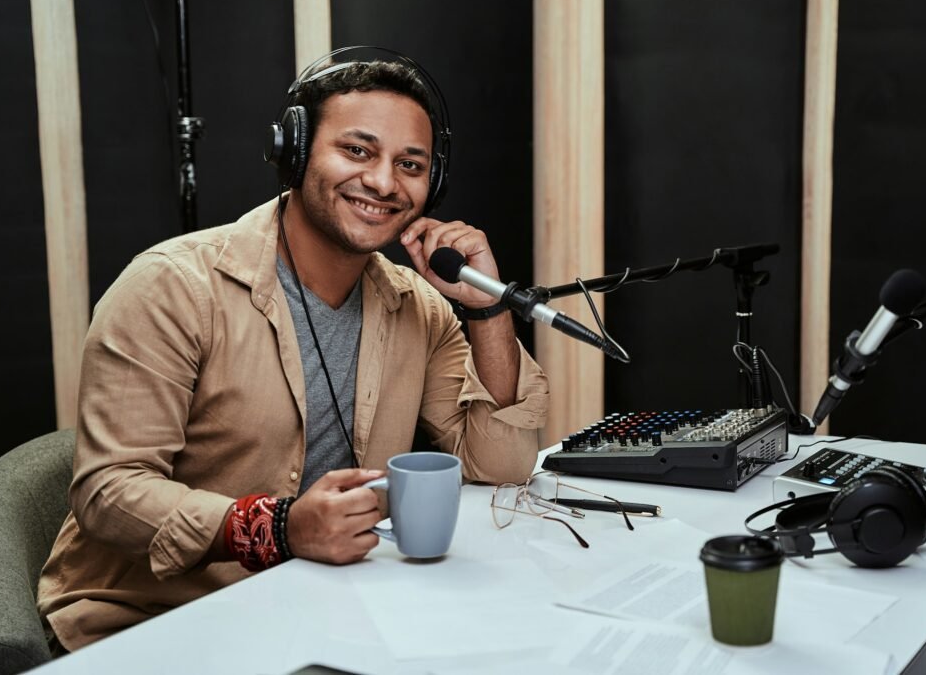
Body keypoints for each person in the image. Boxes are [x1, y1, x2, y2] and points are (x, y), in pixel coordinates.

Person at [37, 52, 549, 653]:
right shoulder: (172, 287)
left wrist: (485, 308)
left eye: (408, 164)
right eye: (357, 151)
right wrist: (279, 528)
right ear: (295, 151)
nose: (384, 182)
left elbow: (503, 465)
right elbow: (109, 492)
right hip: (155, 619)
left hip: (322, 605)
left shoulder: (419, 306)